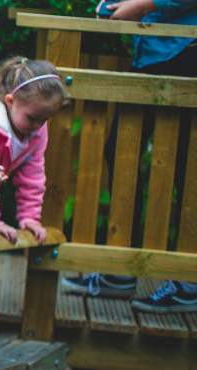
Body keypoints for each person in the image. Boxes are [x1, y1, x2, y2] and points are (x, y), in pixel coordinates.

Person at [63, 0, 197, 314]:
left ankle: (190, 283)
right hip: (159, 50)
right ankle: (122, 269)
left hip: (185, 50)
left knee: (184, 165)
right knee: (122, 150)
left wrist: (143, 5)